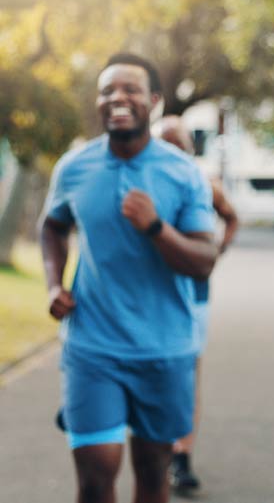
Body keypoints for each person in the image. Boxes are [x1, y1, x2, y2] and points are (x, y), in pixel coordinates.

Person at [39, 53, 218, 503]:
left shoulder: (182, 174)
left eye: (130, 89)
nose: (118, 98)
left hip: (164, 349)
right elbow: (53, 225)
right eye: (107, 91)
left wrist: (156, 228)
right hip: (92, 347)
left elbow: (203, 259)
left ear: (153, 101)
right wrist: (54, 283)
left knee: (153, 472)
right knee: (97, 475)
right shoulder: (74, 168)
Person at [152, 115, 239, 494]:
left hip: (193, 295)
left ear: (190, 148)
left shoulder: (204, 181)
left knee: (187, 374)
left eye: (179, 145)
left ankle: (181, 456)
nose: (173, 151)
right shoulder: (146, 181)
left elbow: (232, 217)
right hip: (150, 294)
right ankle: (156, 450)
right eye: (165, 144)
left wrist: (216, 252)